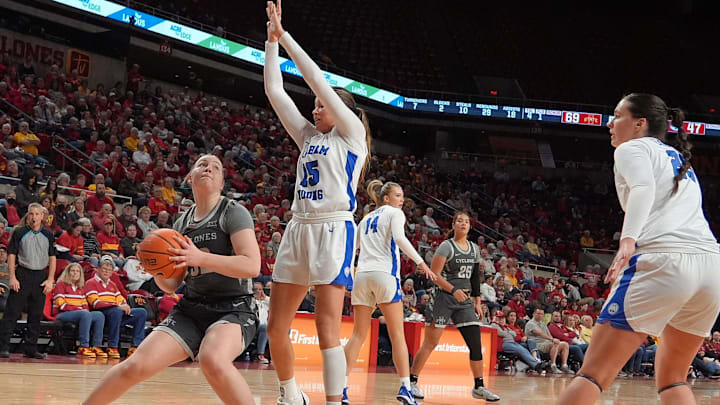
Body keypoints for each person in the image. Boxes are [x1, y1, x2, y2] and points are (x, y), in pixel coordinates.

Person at [557, 94, 720, 405]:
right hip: (711, 267)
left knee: (592, 374)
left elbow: (643, 188)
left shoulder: (632, 148)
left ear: (639, 123)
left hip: (664, 259)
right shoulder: (675, 156)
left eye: (617, 115)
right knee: (673, 379)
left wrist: (628, 240)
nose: (610, 123)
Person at [83, 154, 260, 405]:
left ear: (221, 182)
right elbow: (172, 286)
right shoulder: (181, 223)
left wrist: (199, 258)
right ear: (190, 177)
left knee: (212, 359)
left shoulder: (232, 212)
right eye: (202, 164)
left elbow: (252, 265)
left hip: (234, 308)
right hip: (191, 308)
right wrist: (155, 268)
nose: (208, 168)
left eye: (216, 167)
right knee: (135, 365)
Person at [264, 2, 371, 404]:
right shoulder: (308, 137)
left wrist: (287, 36)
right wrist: (271, 42)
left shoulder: (351, 134)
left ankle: (334, 400)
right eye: (314, 105)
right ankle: (290, 396)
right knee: (277, 326)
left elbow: (316, 81)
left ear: (340, 109)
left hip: (334, 227)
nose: (315, 106)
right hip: (298, 228)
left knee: (328, 327)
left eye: (321, 105)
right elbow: (274, 91)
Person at [343, 180, 434, 405]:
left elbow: (353, 250)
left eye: (402, 196)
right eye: (398, 195)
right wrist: (421, 262)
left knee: (357, 335)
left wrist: (347, 273)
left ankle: (341, 387)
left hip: (362, 276)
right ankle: (405, 387)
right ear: (386, 198)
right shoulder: (394, 214)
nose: (401, 200)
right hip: (384, 275)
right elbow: (400, 239)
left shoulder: (364, 219)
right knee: (397, 336)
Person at [409, 212, 500, 402]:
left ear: (470, 226)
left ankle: (479, 387)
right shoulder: (446, 246)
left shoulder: (474, 249)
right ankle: (412, 381)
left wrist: (477, 301)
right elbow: (434, 274)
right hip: (443, 298)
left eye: (467, 221)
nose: (463, 224)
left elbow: (475, 277)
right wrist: (453, 290)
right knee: (430, 343)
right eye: (460, 221)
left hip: (464, 301)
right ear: (454, 224)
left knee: (475, 344)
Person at [0, 203, 57, 358]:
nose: (34, 217)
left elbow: (53, 258)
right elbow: (11, 255)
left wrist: (50, 279)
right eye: (31, 214)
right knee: (11, 312)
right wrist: (12, 277)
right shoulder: (19, 232)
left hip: (40, 276)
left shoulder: (48, 235)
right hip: (22, 274)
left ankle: (31, 349)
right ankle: (3, 347)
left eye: (37, 214)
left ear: (42, 216)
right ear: (28, 215)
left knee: (36, 315)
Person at [85, 256, 146, 359]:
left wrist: (125, 305)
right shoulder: (91, 283)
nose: (106, 272)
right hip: (103, 314)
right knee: (116, 311)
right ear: (98, 269)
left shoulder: (112, 284)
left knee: (141, 312)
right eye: (104, 269)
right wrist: (118, 306)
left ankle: (135, 346)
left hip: (116, 313)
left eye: (109, 270)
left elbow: (120, 298)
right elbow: (95, 303)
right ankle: (112, 346)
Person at [52, 262, 106, 358]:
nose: (75, 273)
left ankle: (96, 346)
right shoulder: (61, 284)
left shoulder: (80, 287)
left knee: (99, 315)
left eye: (78, 271)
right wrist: (77, 310)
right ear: (67, 272)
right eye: (72, 271)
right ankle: (83, 346)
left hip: (79, 313)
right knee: (85, 314)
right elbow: (60, 304)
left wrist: (83, 311)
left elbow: (85, 304)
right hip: (62, 314)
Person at [526, 307, 571, 374]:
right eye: (538, 313)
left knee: (565, 344)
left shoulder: (543, 324)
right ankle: (553, 365)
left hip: (547, 343)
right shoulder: (530, 323)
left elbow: (549, 335)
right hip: (537, 344)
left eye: (542, 314)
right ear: (534, 314)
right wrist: (552, 339)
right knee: (554, 344)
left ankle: (564, 365)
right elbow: (539, 333)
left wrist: (552, 340)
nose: (540, 315)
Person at [253, 281, 270, 364]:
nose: (258, 291)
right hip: (253, 326)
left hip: (264, 327)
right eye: (256, 289)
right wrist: (254, 298)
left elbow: (276, 305)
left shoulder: (265, 301)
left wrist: (265, 297)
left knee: (286, 330)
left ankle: (276, 356)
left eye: (260, 289)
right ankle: (260, 355)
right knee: (265, 327)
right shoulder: (249, 301)